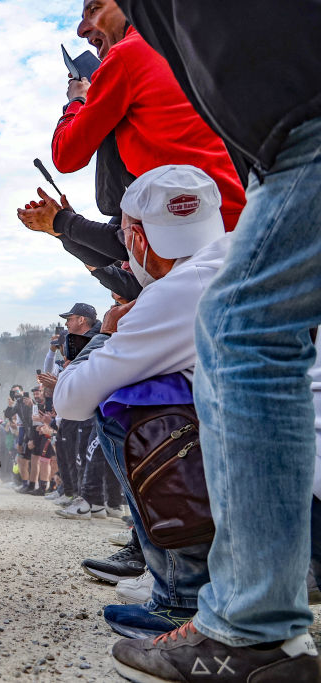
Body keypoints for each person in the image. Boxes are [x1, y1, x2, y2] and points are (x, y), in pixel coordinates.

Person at [105, 3, 321, 680]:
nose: (86, 24)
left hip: (302, 132)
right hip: (279, 148)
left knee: (241, 332)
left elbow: (80, 396)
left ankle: (248, 622)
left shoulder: (127, 59)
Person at [55, 166, 228, 642]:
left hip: (291, 529)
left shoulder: (176, 290)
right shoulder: (249, 256)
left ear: (136, 236)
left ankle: (181, 597)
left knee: (128, 402)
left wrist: (106, 332)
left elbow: (70, 399)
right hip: (304, 499)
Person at [51, 0, 246, 230]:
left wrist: (77, 100)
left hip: (198, 224)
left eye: (94, 10)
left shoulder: (125, 55)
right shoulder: (180, 40)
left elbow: (65, 156)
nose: (81, 29)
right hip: (237, 205)